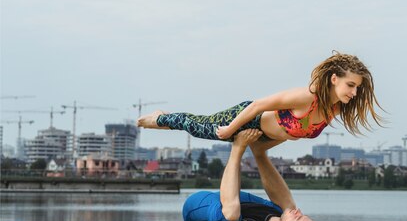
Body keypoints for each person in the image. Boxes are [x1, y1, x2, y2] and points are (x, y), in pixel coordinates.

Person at [136, 51, 384, 146]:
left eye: (356, 88)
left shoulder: (335, 109)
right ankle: (160, 118)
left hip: (263, 135)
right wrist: (231, 128)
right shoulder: (305, 97)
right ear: (333, 79)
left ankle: (162, 119)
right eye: (350, 85)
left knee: (199, 128)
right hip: (247, 119)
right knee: (199, 126)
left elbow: (295, 131)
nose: (353, 93)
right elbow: (258, 105)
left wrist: (264, 145)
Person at [145, 129, 322, 221]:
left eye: (298, 218)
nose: (298, 212)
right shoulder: (279, 216)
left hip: (195, 207)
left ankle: (237, 147)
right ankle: (259, 152)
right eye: (302, 214)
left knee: (231, 215)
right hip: (223, 199)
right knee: (286, 207)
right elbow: (237, 195)